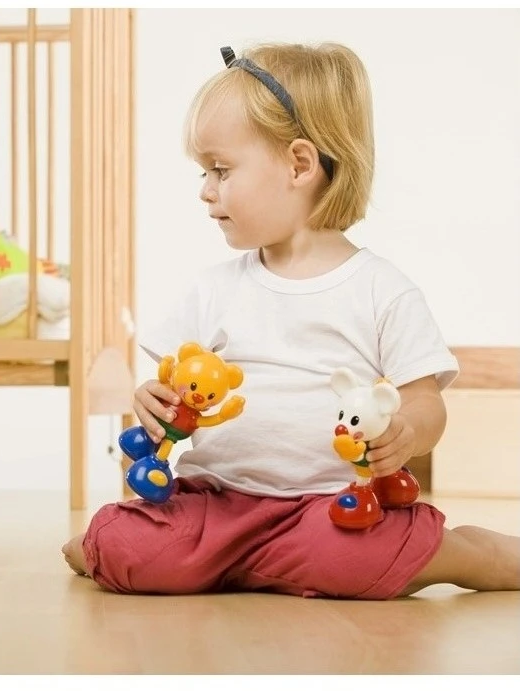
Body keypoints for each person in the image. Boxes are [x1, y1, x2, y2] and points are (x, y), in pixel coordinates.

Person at [62, 42, 520, 599]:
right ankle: (241, 560)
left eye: (220, 170)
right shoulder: (212, 289)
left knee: (356, 553)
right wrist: (152, 402)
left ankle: (468, 552)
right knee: (129, 547)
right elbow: (169, 388)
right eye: (205, 172)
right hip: (217, 504)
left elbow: (426, 404)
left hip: (331, 509)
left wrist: (405, 433)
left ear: (300, 164)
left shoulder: (381, 289)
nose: (205, 190)